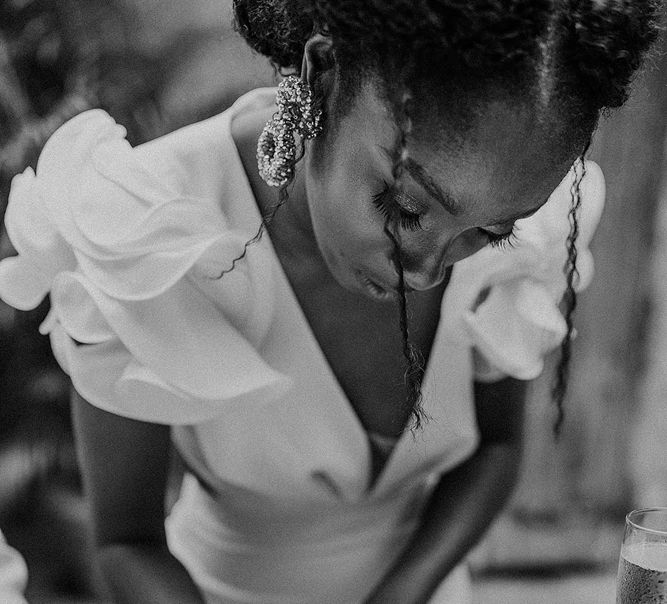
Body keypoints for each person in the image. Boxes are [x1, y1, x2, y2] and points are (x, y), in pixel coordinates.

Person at [0, 1, 661, 602]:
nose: (427, 273)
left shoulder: (504, 201)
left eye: (490, 232)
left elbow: (495, 452)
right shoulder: (142, 230)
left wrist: (401, 594)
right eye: (404, 208)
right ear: (322, 73)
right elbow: (126, 543)